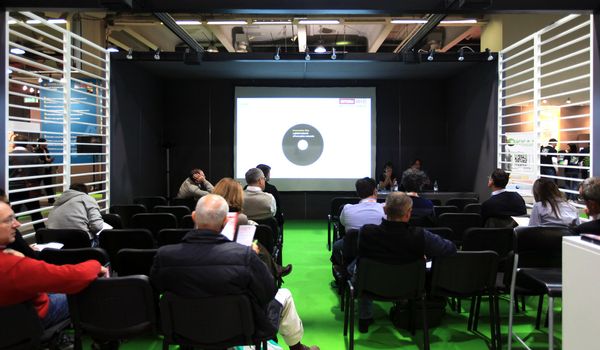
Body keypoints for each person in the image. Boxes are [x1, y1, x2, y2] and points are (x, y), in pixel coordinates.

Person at [150, 194, 318, 350]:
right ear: (225, 222)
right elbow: (268, 293)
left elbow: (155, 292)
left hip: (182, 330)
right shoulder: (245, 256)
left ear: (194, 217)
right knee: (284, 294)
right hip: (238, 332)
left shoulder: (164, 257)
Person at [354, 192, 456, 332]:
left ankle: (364, 318)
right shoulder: (420, 235)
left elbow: (362, 255)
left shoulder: (366, 232)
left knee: (359, 267)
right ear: (408, 213)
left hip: (370, 286)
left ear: (384, 210)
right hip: (410, 287)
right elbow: (450, 249)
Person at [0, 200, 108, 330]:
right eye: (8, 220)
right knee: (87, 290)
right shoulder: (14, 265)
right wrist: (95, 265)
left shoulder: (12, 260)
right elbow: (71, 277)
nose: (17, 224)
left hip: (13, 324)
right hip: (32, 318)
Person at [212, 178, 292, 280]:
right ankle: (274, 270)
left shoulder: (205, 211)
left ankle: (275, 269)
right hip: (231, 261)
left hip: (209, 255)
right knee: (256, 246)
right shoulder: (238, 218)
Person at [331, 177, 384, 266]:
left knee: (336, 246)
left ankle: (342, 271)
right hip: (378, 252)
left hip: (351, 251)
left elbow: (342, 225)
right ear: (375, 191)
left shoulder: (347, 208)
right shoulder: (385, 209)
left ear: (358, 193)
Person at [9, 135, 45, 231]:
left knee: (12, 217)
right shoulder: (34, 157)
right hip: (31, 190)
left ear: (14, 143)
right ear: (26, 144)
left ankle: (11, 240)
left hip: (13, 190)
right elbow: (41, 173)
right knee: (36, 215)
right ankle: (42, 238)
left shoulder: (8, 156)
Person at [257, 164, 284, 228]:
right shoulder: (272, 189)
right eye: (269, 173)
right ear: (265, 176)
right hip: (269, 225)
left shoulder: (246, 189)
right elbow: (277, 207)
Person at [35, 138, 56, 204]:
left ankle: (51, 200)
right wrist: (46, 161)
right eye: (45, 142)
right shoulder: (37, 151)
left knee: (49, 185)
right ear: (41, 143)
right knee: (36, 186)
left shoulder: (46, 150)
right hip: (40, 171)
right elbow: (38, 160)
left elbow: (48, 158)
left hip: (47, 170)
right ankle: (35, 201)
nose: (46, 144)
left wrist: (50, 160)